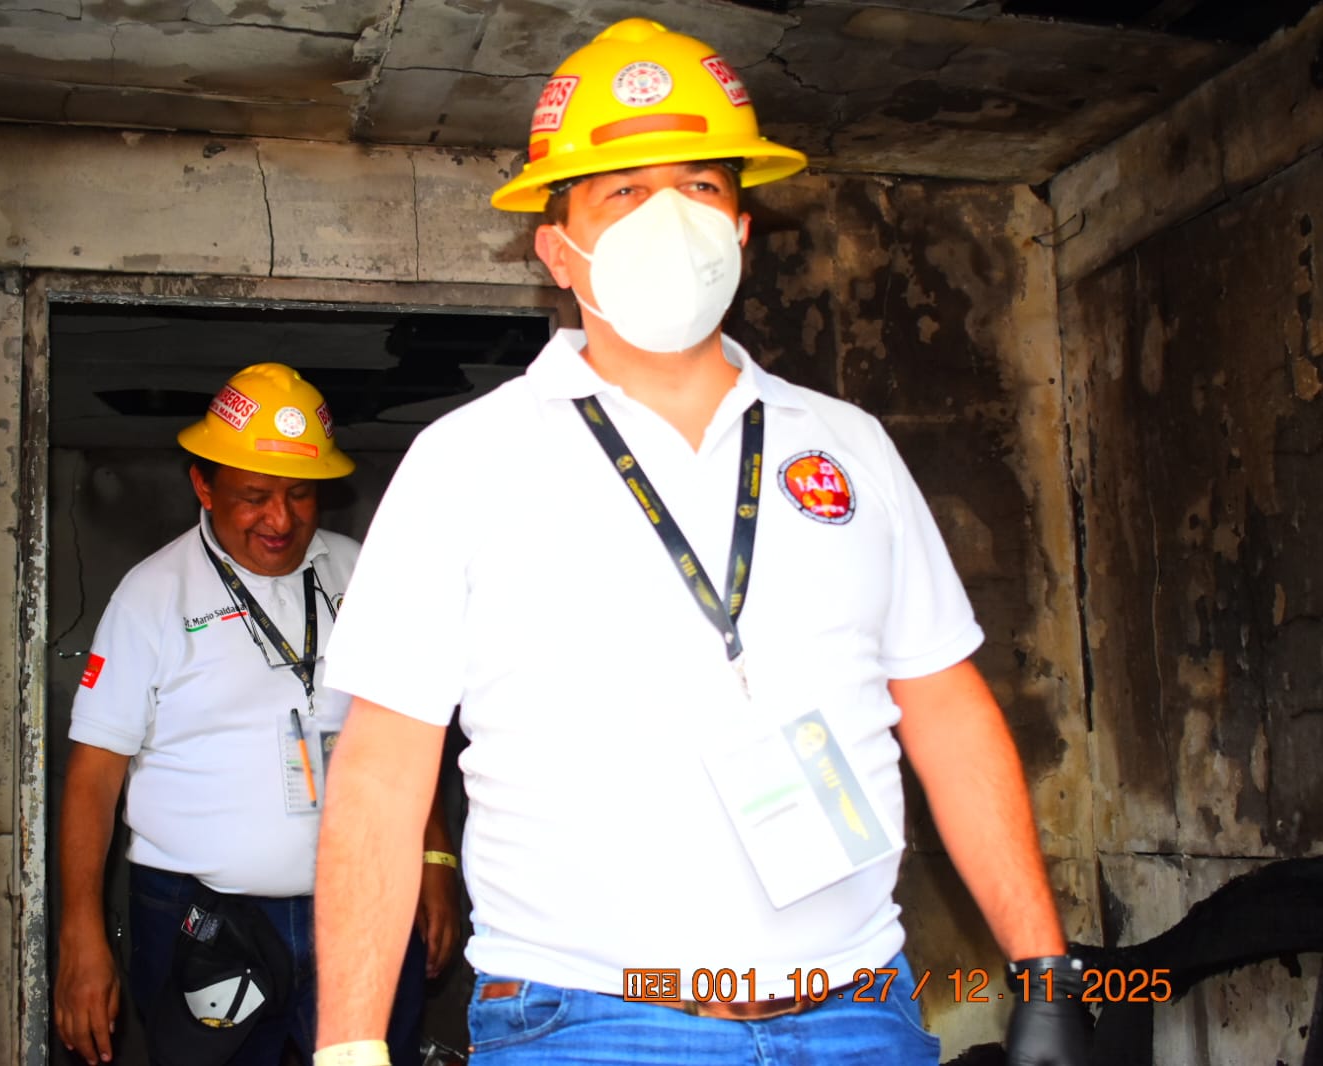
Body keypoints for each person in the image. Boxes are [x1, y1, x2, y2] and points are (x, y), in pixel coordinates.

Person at [310, 18, 1088, 1066]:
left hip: (859, 1012)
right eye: (623, 192)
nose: (670, 217)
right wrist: (350, 1044)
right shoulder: (467, 461)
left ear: (743, 228)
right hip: (589, 1022)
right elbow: (381, 773)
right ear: (557, 246)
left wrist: (1043, 968)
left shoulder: (846, 447)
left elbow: (946, 710)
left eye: (702, 186)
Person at [53, 363, 459, 1066]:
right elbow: (94, 774)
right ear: (203, 486)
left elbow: (402, 731)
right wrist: (79, 930)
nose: (280, 519)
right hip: (206, 922)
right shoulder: (151, 596)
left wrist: (432, 858)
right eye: (254, 496)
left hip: (361, 906)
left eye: (301, 495)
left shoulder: (362, 574)